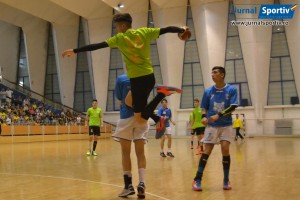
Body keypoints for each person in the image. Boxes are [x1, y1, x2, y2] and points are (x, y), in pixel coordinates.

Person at [62, 13, 186, 127]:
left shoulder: (119, 38)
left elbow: (96, 46)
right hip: (149, 76)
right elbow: (167, 29)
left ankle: (161, 94)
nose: (116, 29)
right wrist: (181, 30)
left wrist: (74, 51)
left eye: (116, 26)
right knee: (128, 101)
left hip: (137, 79)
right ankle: (158, 118)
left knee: (139, 118)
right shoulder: (145, 32)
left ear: (122, 25)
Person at [192, 66, 238, 191]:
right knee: (207, 150)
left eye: (215, 72)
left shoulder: (232, 89)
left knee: (225, 149)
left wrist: (218, 115)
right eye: (211, 72)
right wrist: (203, 116)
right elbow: (204, 107)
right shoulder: (208, 91)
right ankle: (197, 179)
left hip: (226, 125)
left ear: (222, 75)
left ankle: (226, 180)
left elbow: (233, 106)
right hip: (212, 126)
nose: (212, 74)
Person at [112, 74, 148, 199]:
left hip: (126, 117)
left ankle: (128, 186)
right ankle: (142, 183)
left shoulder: (122, 78)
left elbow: (120, 98)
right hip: (141, 118)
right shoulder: (145, 77)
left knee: (125, 153)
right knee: (141, 153)